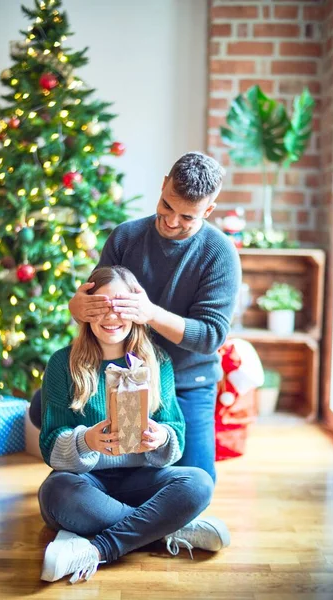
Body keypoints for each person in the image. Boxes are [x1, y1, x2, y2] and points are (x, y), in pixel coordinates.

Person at [38, 266, 230, 584]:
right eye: (102, 305)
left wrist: (161, 437)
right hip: (87, 483)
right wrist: (86, 440)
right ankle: (166, 528)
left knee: (198, 483)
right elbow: (50, 444)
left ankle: (100, 547)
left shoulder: (157, 361)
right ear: (86, 310)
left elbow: (175, 432)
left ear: (136, 310)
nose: (111, 316)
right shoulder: (63, 363)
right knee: (56, 492)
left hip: (143, 480)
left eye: (121, 305)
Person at [68, 151, 242, 483]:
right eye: (167, 206)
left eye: (187, 217)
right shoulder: (125, 238)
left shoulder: (220, 253)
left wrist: (151, 314)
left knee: (197, 483)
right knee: (110, 473)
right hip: (123, 374)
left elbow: (210, 338)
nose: (172, 221)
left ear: (208, 210)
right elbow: (94, 305)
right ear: (164, 185)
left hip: (188, 382)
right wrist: (77, 308)